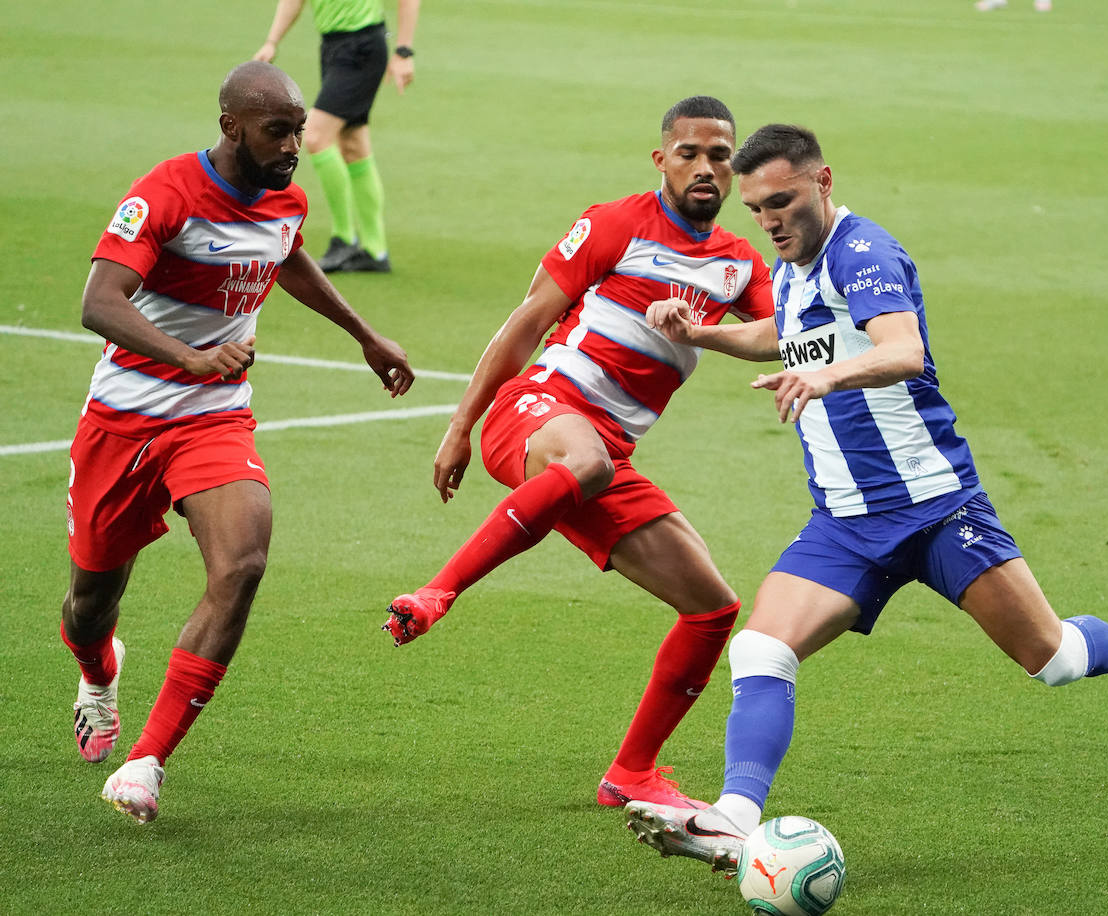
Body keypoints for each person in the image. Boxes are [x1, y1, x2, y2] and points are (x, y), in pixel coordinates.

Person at [623, 124, 1108, 872]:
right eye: (757, 209)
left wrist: (828, 377)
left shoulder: (864, 251)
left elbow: (905, 349)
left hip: (936, 509)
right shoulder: (795, 263)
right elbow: (787, 332)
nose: (770, 220)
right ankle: (734, 818)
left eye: (783, 202)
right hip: (842, 522)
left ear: (823, 182)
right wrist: (701, 333)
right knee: (762, 649)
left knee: (1053, 658)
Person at [381, 96, 775, 810]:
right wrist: (460, 425)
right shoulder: (616, 222)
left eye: (721, 155)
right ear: (662, 160)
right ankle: (439, 590)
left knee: (712, 607)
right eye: (690, 152)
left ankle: (631, 774)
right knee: (585, 462)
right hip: (535, 412)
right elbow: (524, 323)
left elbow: (783, 333)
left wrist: (708, 334)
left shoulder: (738, 265)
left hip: (600, 458)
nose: (706, 168)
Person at [65, 60, 415, 825]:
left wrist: (364, 334)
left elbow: (285, 252)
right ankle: (98, 670)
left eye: (297, 128)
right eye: (277, 130)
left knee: (244, 561)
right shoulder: (166, 192)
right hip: (124, 418)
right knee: (89, 604)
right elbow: (98, 301)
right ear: (232, 127)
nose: (294, 144)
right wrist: (188, 356)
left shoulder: (283, 194)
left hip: (215, 416)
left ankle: (146, 762)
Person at [253, 0, 421, 273]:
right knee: (353, 144)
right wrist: (272, 41)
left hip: (363, 47)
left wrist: (403, 51)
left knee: (317, 135)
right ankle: (375, 251)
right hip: (333, 47)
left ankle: (343, 239)